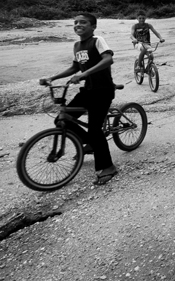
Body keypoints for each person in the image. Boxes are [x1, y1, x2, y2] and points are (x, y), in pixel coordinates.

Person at [39, 13, 118, 185]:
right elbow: (74, 67)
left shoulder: (97, 40)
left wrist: (85, 74)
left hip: (102, 91)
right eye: (75, 22)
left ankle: (108, 167)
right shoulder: (77, 45)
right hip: (87, 91)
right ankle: (90, 143)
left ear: (93, 26)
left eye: (83, 22)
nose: (78, 25)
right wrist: (53, 78)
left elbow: (108, 59)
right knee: (62, 120)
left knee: (95, 130)